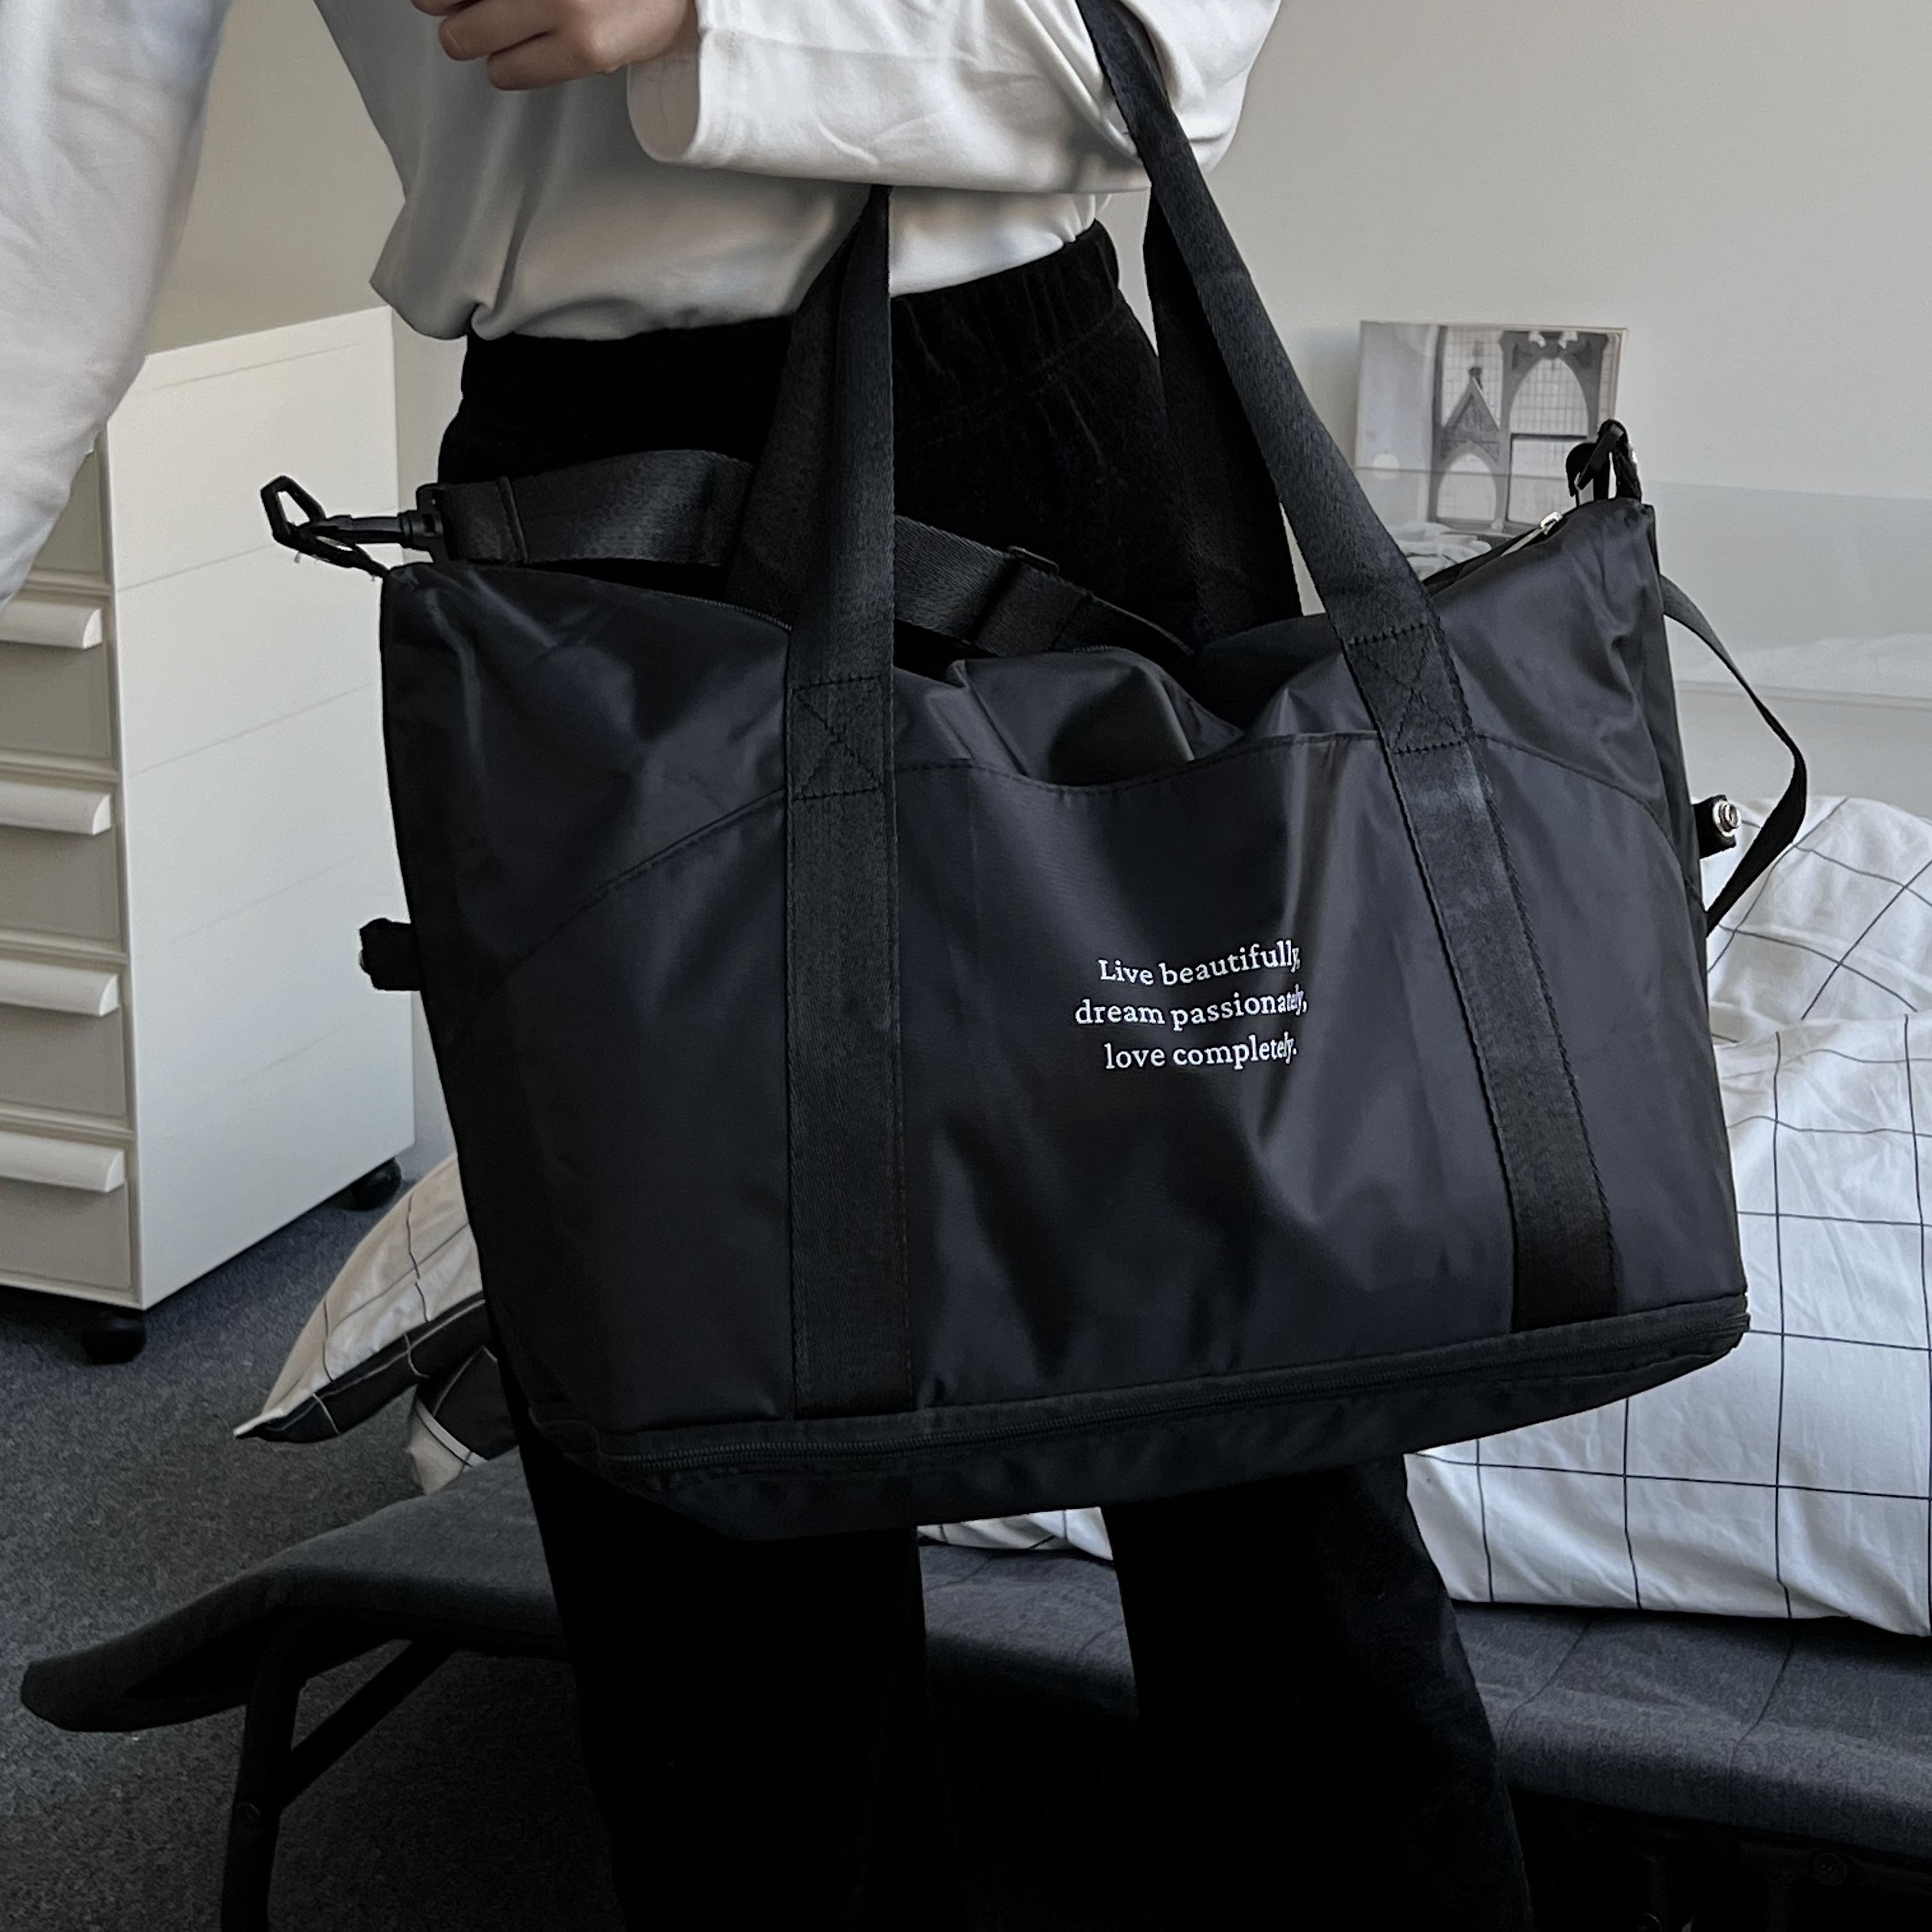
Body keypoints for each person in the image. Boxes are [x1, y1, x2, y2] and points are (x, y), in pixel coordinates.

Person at [0, 4, 1535, 1924]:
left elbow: (1179, 36)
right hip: (591, 506)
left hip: (1017, 424)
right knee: (698, 1493)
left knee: (1265, 1449)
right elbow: (54, 110)